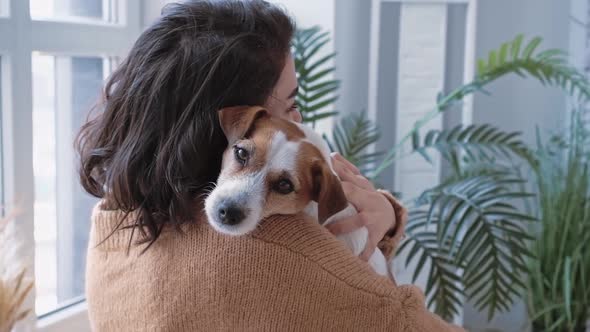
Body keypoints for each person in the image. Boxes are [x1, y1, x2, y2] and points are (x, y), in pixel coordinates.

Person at [78, 1, 463, 331]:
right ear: (232, 118)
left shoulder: (116, 215)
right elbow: (398, 320)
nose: (298, 119)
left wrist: (379, 225)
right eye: (290, 103)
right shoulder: (284, 250)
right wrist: (373, 239)